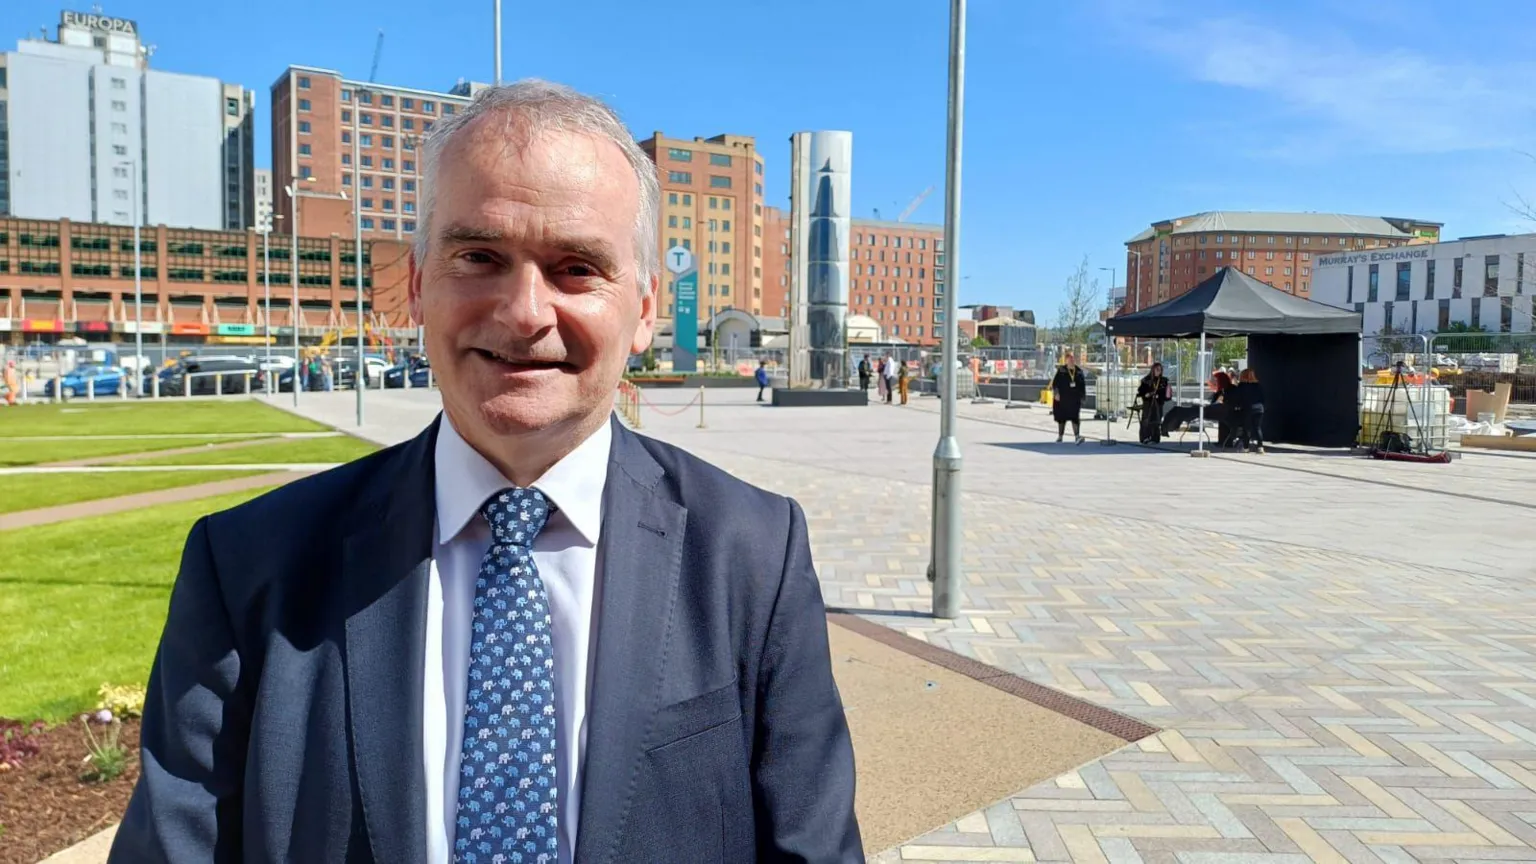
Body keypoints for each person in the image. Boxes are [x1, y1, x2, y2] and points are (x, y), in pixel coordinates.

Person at [111, 80, 863, 864]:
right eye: (479, 256)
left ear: (644, 311)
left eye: (576, 267)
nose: (524, 312)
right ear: (416, 286)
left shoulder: (752, 554)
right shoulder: (248, 566)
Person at [1050, 353, 1087, 442]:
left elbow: (1082, 385)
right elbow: (1055, 384)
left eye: (1073, 359)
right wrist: (1056, 393)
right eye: (1069, 359)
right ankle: (1060, 436)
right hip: (1063, 399)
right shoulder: (1061, 370)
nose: (1071, 360)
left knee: (1075, 417)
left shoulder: (1078, 371)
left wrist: (1083, 397)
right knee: (1061, 418)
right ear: (1066, 360)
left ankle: (1077, 436)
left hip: (1074, 399)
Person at [1137, 362, 1171, 444]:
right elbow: (1140, 391)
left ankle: (1155, 438)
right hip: (1148, 404)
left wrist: (1162, 395)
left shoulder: (1163, 381)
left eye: (1160, 370)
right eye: (1157, 369)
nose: (1159, 371)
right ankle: (1145, 437)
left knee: (1157, 421)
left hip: (1158, 403)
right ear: (1153, 370)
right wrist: (1147, 394)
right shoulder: (1146, 380)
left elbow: (1167, 394)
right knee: (1146, 420)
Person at [1236, 367, 1266, 454]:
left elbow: (1239, 398)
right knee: (1258, 428)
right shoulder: (1258, 386)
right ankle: (1260, 447)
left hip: (1248, 408)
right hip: (1259, 409)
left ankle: (1245, 448)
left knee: (1247, 429)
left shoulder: (1242, 386)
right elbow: (1263, 398)